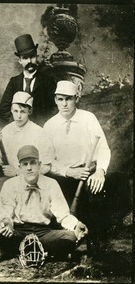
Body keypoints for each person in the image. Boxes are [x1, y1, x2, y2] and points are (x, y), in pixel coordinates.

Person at [41, 80, 112, 255]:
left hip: (87, 172)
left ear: (76, 99)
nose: (64, 104)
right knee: (56, 205)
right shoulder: (49, 125)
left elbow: (103, 148)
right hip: (62, 176)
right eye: (60, 99)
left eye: (69, 99)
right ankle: (65, 244)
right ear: (55, 100)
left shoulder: (88, 118)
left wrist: (100, 171)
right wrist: (68, 172)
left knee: (97, 193)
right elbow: (47, 161)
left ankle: (97, 244)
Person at [0, 145, 88, 261]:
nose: (29, 168)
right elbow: (6, 211)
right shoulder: (10, 185)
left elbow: (63, 215)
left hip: (43, 233)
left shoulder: (51, 184)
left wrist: (76, 225)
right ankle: (44, 251)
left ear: (39, 165)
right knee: (0, 233)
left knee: (71, 237)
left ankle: (22, 250)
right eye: (25, 164)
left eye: (33, 163)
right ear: (19, 167)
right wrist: (7, 223)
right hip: (19, 231)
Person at [0, 34, 56, 127]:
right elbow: (3, 109)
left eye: (32, 56)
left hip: (41, 129)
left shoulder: (47, 81)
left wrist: (43, 124)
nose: (29, 61)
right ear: (19, 60)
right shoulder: (14, 82)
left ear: (36, 57)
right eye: (25, 58)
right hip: (19, 131)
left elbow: (55, 107)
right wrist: (17, 122)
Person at [0, 91, 45, 178]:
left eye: (23, 112)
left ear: (30, 111)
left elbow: (45, 167)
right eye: (15, 111)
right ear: (11, 110)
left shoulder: (39, 132)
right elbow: (3, 162)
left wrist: (18, 172)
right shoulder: (6, 130)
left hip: (33, 180)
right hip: (12, 180)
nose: (18, 116)